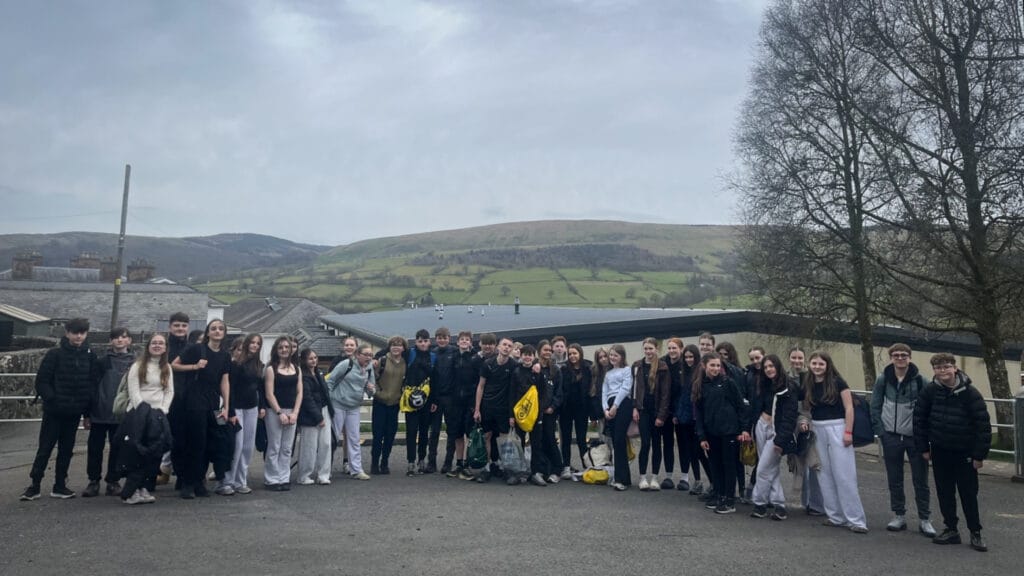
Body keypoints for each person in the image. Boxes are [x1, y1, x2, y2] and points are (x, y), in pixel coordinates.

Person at [915, 354, 991, 551]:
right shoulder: (930, 391)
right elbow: (920, 420)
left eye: (947, 367)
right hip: (940, 450)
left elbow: (983, 426)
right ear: (934, 370)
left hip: (964, 452)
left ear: (955, 368)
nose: (943, 371)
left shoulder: (970, 393)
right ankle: (951, 529)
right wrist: (923, 447)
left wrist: (979, 455)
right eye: (938, 367)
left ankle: (975, 532)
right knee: (945, 493)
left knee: (968, 494)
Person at [21, 318, 100, 501]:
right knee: (45, 448)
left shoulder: (90, 356)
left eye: (82, 333)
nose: (78, 336)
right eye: (75, 332)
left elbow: (91, 385)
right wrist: (53, 399)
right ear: (67, 333)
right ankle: (34, 485)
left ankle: (60, 485)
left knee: (66, 449)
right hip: (54, 412)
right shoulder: (54, 354)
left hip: (74, 412)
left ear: (86, 334)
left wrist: (87, 413)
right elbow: (42, 381)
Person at [870, 343, 934, 536]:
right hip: (891, 436)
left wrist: (925, 435)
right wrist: (881, 432)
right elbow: (875, 406)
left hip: (915, 438)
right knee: (894, 478)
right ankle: (899, 515)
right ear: (891, 358)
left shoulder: (921, 380)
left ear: (909, 357)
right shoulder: (883, 379)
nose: (900, 358)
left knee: (920, 479)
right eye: (896, 355)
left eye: (904, 355)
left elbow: (929, 409)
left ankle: (925, 519)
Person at [804, 351, 868, 533]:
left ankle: (856, 520)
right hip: (817, 429)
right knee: (823, 473)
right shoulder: (808, 383)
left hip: (837, 427)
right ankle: (835, 516)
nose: (817, 367)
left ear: (827, 365)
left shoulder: (838, 382)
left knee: (844, 474)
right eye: (814, 363)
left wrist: (848, 431)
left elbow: (849, 408)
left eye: (821, 364)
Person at [170, 319, 231, 499]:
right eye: (214, 328)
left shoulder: (225, 355)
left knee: (212, 441)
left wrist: (226, 406)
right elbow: (174, 365)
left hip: (213, 401)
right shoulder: (196, 349)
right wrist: (194, 366)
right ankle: (188, 483)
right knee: (196, 441)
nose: (217, 331)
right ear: (208, 332)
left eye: (221, 328)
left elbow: (225, 381)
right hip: (194, 399)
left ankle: (199, 482)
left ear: (224, 333)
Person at [694, 352, 751, 514]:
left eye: (718, 365)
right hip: (711, 432)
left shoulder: (728, 383)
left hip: (729, 431)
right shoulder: (700, 385)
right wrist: (702, 436)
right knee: (715, 464)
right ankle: (719, 494)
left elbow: (741, 406)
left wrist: (744, 429)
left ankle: (729, 499)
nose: (715, 368)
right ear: (704, 366)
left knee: (729, 465)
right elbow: (699, 413)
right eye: (712, 365)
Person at [121, 333, 174, 504]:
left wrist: (163, 410)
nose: (157, 346)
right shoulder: (137, 366)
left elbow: (169, 391)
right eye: (154, 343)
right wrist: (144, 412)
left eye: (161, 343)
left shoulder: (167, 367)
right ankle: (131, 492)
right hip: (138, 415)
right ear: (148, 346)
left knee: (153, 455)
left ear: (165, 347)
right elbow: (134, 391)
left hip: (157, 416)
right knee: (136, 454)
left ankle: (143, 487)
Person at [83, 327, 134, 498]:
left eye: (123, 337)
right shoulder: (101, 362)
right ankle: (93, 481)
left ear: (129, 340)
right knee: (95, 449)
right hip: (99, 411)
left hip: (121, 414)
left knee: (118, 449)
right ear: (110, 341)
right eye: (116, 337)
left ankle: (113, 481)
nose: (120, 340)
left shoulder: (135, 363)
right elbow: (91, 388)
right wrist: (87, 413)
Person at [749, 354, 798, 521]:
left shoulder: (789, 386)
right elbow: (756, 406)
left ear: (778, 366)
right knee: (771, 468)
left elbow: (790, 416)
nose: (768, 369)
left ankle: (760, 503)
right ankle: (779, 505)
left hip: (776, 431)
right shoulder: (763, 384)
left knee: (763, 468)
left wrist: (781, 439)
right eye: (765, 367)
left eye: (771, 366)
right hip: (761, 426)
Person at [327, 343, 376, 481]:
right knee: (333, 438)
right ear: (357, 355)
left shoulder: (369, 368)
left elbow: (371, 390)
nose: (368, 358)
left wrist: (371, 389)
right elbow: (330, 381)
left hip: (354, 406)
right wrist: (329, 401)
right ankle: (325, 470)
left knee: (354, 438)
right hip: (338, 404)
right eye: (365, 354)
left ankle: (357, 470)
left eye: (370, 355)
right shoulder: (346, 364)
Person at [262, 336, 302, 491]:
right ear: (276, 350)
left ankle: (284, 477)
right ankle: (272, 479)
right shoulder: (271, 369)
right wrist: (279, 412)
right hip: (275, 411)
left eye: (286, 347)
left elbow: (299, 392)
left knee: (287, 448)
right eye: (281, 347)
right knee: (274, 446)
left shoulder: (296, 369)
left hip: (292, 411)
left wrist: (295, 412)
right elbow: (269, 394)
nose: (284, 350)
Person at [474, 336, 516, 483]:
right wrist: (477, 409)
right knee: (487, 436)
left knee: (504, 438)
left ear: (511, 349)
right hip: (487, 406)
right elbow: (480, 386)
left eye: (509, 346)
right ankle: (486, 468)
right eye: (504, 345)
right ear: (498, 347)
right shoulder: (487, 364)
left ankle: (506, 469)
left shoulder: (513, 365)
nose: (506, 348)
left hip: (504, 408)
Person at [226, 333, 263, 494]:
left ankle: (241, 481)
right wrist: (231, 411)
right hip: (237, 408)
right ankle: (227, 481)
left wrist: (262, 407)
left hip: (252, 408)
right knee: (237, 446)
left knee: (248, 447)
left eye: (258, 343)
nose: (255, 345)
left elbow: (260, 388)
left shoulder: (258, 365)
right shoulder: (236, 365)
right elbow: (231, 389)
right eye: (252, 342)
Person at [632, 337, 671, 491]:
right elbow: (633, 389)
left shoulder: (663, 367)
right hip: (643, 411)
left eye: (651, 348)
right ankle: (642, 477)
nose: (648, 351)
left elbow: (666, 394)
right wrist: (634, 407)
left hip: (657, 411)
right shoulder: (637, 366)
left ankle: (655, 477)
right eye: (646, 348)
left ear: (656, 349)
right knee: (645, 444)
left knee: (656, 444)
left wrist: (661, 415)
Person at [160, 311, 191, 487]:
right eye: (177, 325)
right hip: (163, 399)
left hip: (184, 399)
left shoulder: (192, 347)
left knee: (181, 440)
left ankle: (181, 476)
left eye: (184, 325)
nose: (180, 328)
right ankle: (154, 475)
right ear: (170, 327)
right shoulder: (162, 347)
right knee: (160, 438)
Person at [446, 331, 480, 479]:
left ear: (471, 342)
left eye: (467, 339)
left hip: (469, 401)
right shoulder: (453, 357)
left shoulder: (475, 358)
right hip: (455, 401)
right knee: (457, 433)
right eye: (462, 339)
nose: (464, 341)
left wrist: (475, 404)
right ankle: (459, 463)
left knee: (468, 433)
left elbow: (479, 381)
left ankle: (467, 464)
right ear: (458, 342)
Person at [297, 349, 334, 484]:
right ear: (304, 360)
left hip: (324, 409)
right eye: (310, 358)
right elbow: (307, 398)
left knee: (326, 444)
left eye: (315, 358)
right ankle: (304, 475)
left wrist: (329, 412)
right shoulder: (303, 376)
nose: (313, 360)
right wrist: (319, 418)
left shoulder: (319, 373)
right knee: (309, 445)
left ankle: (323, 474)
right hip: (310, 414)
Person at [371, 336, 406, 475]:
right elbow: (372, 377)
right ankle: (374, 463)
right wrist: (377, 393)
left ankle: (384, 462)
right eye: (393, 345)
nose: (396, 347)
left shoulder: (405, 363)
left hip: (395, 404)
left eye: (399, 345)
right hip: (380, 402)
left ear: (403, 348)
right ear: (389, 347)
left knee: (390, 435)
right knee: (378, 435)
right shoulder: (382, 360)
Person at [404, 329, 436, 476]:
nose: (423, 344)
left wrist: (434, 400)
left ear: (429, 342)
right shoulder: (410, 353)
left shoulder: (433, 357)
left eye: (425, 341)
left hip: (427, 400)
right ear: (416, 342)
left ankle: (421, 459)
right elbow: (391, 350)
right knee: (411, 431)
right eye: (420, 341)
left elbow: (435, 380)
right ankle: (411, 461)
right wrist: (377, 357)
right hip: (410, 399)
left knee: (424, 431)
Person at [603, 344, 633, 491]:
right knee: (616, 442)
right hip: (610, 406)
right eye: (611, 355)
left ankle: (621, 479)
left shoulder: (627, 370)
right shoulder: (608, 373)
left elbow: (626, 388)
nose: (613, 358)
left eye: (616, 355)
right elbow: (604, 392)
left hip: (622, 404)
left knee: (620, 440)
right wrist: (605, 409)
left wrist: (615, 405)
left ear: (622, 357)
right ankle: (623, 477)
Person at [429, 327, 458, 474]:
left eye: (444, 338)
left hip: (450, 397)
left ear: (449, 338)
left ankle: (448, 462)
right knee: (434, 431)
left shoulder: (455, 352)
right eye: (439, 338)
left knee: (451, 431)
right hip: (436, 398)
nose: (442, 340)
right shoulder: (432, 353)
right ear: (436, 339)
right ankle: (431, 462)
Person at [560, 343, 592, 473]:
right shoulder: (564, 369)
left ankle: (586, 466)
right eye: (570, 354)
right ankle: (566, 466)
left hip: (582, 409)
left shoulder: (588, 368)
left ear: (580, 353)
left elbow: (590, 388)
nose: (572, 356)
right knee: (566, 438)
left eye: (575, 353)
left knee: (581, 439)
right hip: (566, 408)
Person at [537, 340, 566, 482]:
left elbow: (559, 392)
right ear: (539, 351)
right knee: (539, 440)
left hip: (549, 411)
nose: (548, 352)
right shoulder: (535, 368)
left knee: (549, 438)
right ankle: (544, 469)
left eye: (549, 350)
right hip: (535, 411)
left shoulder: (555, 370)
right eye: (545, 350)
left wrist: (553, 407)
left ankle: (557, 469)